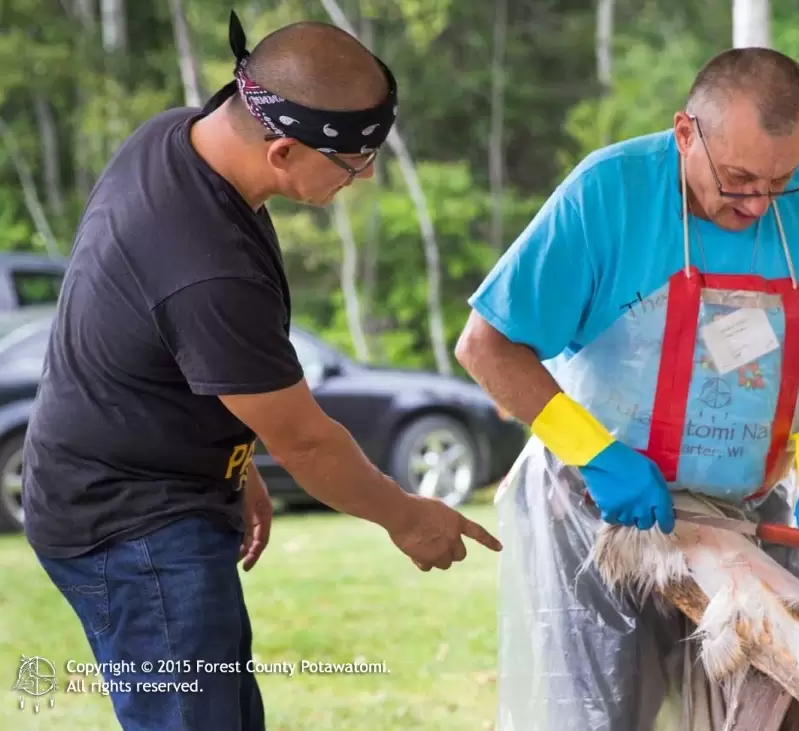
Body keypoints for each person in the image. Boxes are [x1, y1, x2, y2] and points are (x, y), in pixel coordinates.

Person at [22, 11, 500, 731]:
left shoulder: (176, 138)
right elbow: (309, 442)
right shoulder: (208, 268)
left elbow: (159, 344)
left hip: (149, 489)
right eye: (351, 164)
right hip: (131, 524)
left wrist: (236, 464)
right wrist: (408, 517)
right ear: (281, 151)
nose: (363, 177)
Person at [455, 47, 799, 730]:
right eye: (738, 177)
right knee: (605, 714)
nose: (755, 203)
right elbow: (486, 344)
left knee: (787, 707)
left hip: (749, 512)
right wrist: (596, 453)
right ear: (686, 132)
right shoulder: (607, 194)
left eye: (779, 182)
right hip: (597, 509)